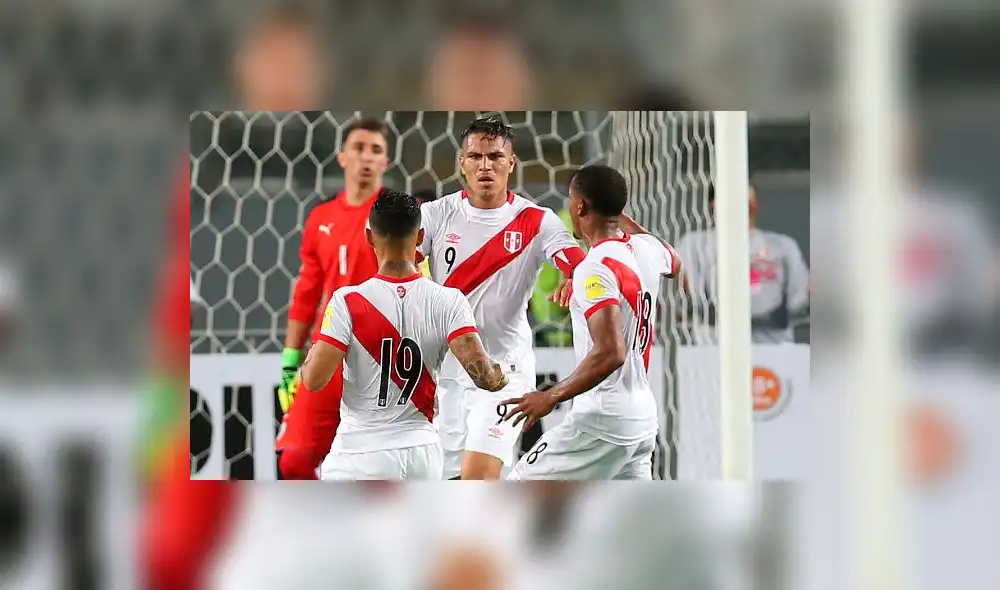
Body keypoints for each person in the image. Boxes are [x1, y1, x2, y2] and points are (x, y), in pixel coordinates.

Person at [416, 115, 586, 480]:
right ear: (462, 164)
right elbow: (395, 263)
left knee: (478, 478)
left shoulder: (537, 221)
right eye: (475, 157)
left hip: (505, 374)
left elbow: (578, 263)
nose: (485, 165)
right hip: (447, 373)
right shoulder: (435, 214)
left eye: (494, 156)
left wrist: (574, 276)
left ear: (511, 163)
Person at [299, 189, 509, 480]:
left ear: (369, 237)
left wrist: (308, 357)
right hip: (422, 455)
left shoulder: (348, 302)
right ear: (421, 237)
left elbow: (314, 379)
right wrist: (504, 375)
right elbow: (483, 375)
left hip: (361, 454)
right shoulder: (448, 300)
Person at [502, 165, 678, 480]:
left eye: (571, 199)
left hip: (602, 419)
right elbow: (674, 261)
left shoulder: (593, 268)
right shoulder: (645, 248)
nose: (569, 206)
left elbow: (611, 352)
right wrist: (619, 213)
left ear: (580, 206)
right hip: (641, 419)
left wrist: (550, 396)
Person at [274, 116, 391, 479]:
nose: (367, 158)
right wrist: (292, 359)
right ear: (342, 157)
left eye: (376, 150)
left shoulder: (398, 214)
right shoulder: (320, 218)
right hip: (327, 356)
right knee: (293, 462)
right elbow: (307, 291)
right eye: (358, 148)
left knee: (379, 477)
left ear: (385, 162)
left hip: (382, 362)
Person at [676, 183, 810, 344]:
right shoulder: (695, 244)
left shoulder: (783, 245)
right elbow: (686, 303)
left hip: (775, 347)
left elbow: (798, 302)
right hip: (714, 347)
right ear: (713, 204)